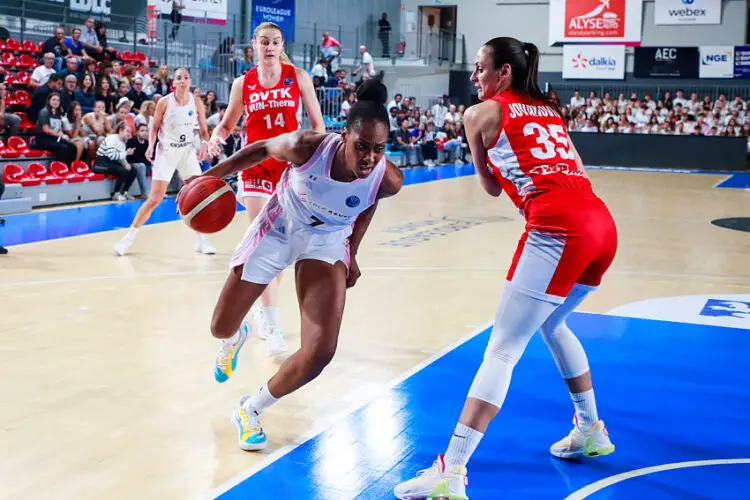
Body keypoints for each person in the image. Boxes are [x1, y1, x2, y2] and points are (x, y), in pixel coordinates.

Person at [394, 37, 618, 500]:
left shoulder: (479, 114)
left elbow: (490, 187)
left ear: (504, 75)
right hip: (601, 225)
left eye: (480, 69)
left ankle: (450, 471)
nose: (474, 78)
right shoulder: (550, 111)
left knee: (501, 350)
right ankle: (592, 428)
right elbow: (577, 166)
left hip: (557, 230)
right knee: (554, 324)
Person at [201, 75, 403, 451]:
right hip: (280, 225)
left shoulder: (387, 179)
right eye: (362, 146)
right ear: (344, 135)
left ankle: (251, 408)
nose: (370, 158)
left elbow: (368, 201)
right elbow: (261, 148)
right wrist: (210, 178)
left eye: (379, 148)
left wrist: (352, 251)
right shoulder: (307, 146)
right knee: (219, 326)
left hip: (326, 242)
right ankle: (236, 336)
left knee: (321, 350)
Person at [208, 21, 326, 356]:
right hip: (255, 167)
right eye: (264, 42)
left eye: (275, 42)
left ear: (281, 45)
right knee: (264, 242)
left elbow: (317, 125)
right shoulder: (242, 83)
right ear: (254, 46)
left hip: (289, 168)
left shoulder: (298, 77)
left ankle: (262, 312)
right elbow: (228, 125)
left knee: (281, 250)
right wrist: (217, 139)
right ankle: (270, 327)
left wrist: (315, 164)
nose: (270, 47)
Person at [113, 67, 215, 256]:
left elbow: (203, 129)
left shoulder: (196, 102)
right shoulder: (164, 102)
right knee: (154, 199)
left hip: (186, 152)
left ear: (190, 81)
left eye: (186, 77)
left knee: (198, 196)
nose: (182, 81)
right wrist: (151, 145)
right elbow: (154, 128)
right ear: (173, 83)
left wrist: (204, 143)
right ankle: (127, 239)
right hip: (167, 152)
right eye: (178, 78)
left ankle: (202, 240)